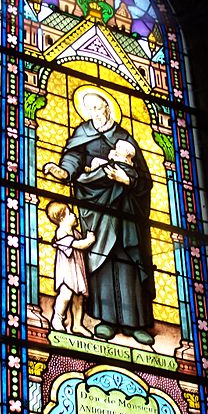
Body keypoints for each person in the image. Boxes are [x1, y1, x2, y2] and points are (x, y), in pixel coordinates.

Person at [43, 88, 156, 345]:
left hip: (125, 208)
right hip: (95, 204)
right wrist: (63, 171)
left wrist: (126, 178)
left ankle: (135, 323)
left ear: (108, 108)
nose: (95, 113)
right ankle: (105, 320)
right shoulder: (83, 133)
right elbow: (73, 158)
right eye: (90, 108)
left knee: (128, 258)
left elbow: (144, 178)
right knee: (101, 258)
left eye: (99, 107)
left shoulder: (124, 137)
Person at [45, 200, 96, 337]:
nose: (74, 215)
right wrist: (89, 240)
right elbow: (78, 245)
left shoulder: (75, 232)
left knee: (79, 298)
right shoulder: (61, 232)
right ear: (61, 218)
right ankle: (57, 318)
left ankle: (77, 324)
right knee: (66, 294)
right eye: (70, 213)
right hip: (67, 271)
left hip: (78, 269)